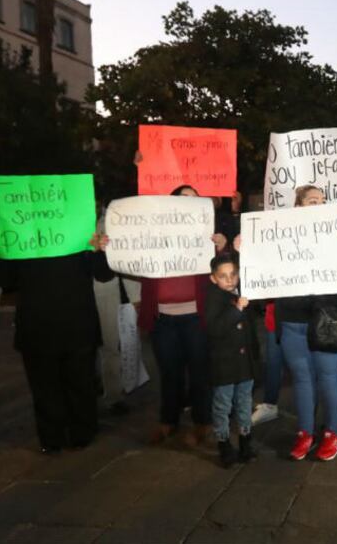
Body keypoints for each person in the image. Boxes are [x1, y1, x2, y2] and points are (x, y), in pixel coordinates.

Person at [0, 232, 114, 453]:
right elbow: (6, 279)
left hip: (77, 323)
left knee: (80, 383)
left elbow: (104, 273)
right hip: (38, 325)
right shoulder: (21, 235)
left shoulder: (80, 232)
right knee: (45, 388)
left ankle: (82, 432)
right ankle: (52, 437)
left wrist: (101, 251)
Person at [137, 184, 229, 446]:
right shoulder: (153, 232)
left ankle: (202, 422)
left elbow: (224, 271)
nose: (190, 202)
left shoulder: (207, 236)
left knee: (200, 372)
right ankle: (168, 421)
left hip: (195, 317)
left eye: (195, 199)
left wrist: (221, 249)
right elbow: (134, 259)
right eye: (184, 198)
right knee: (169, 372)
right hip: (162, 318)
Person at [277, 185, 337, 462]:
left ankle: (333, 433)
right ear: (298, 206)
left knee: (328, 375)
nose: (320, 205)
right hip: (292, 319)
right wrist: (244, 249)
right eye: (313, 200)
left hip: (325, 319)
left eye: (323, 201)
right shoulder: (279, 235)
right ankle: (305, 432)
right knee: (302, 378)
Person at [205, 254, 260, 467]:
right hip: (224, 364)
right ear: (213, 278)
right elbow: (214, 328)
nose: (229, 280)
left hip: (244, 362)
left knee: (245, 401)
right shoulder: (213, 298)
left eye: (233, 274)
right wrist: (237, 310)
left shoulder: (242, 291)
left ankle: (246, 440)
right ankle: (224, 443)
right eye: (223, 276)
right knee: (223, 404)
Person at [94, 206, 142, 415]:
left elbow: (126, 256)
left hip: (105, 288)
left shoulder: (112, 218)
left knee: (110, 343)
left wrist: (135, 296)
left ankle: (112, 395)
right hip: (75, 293)